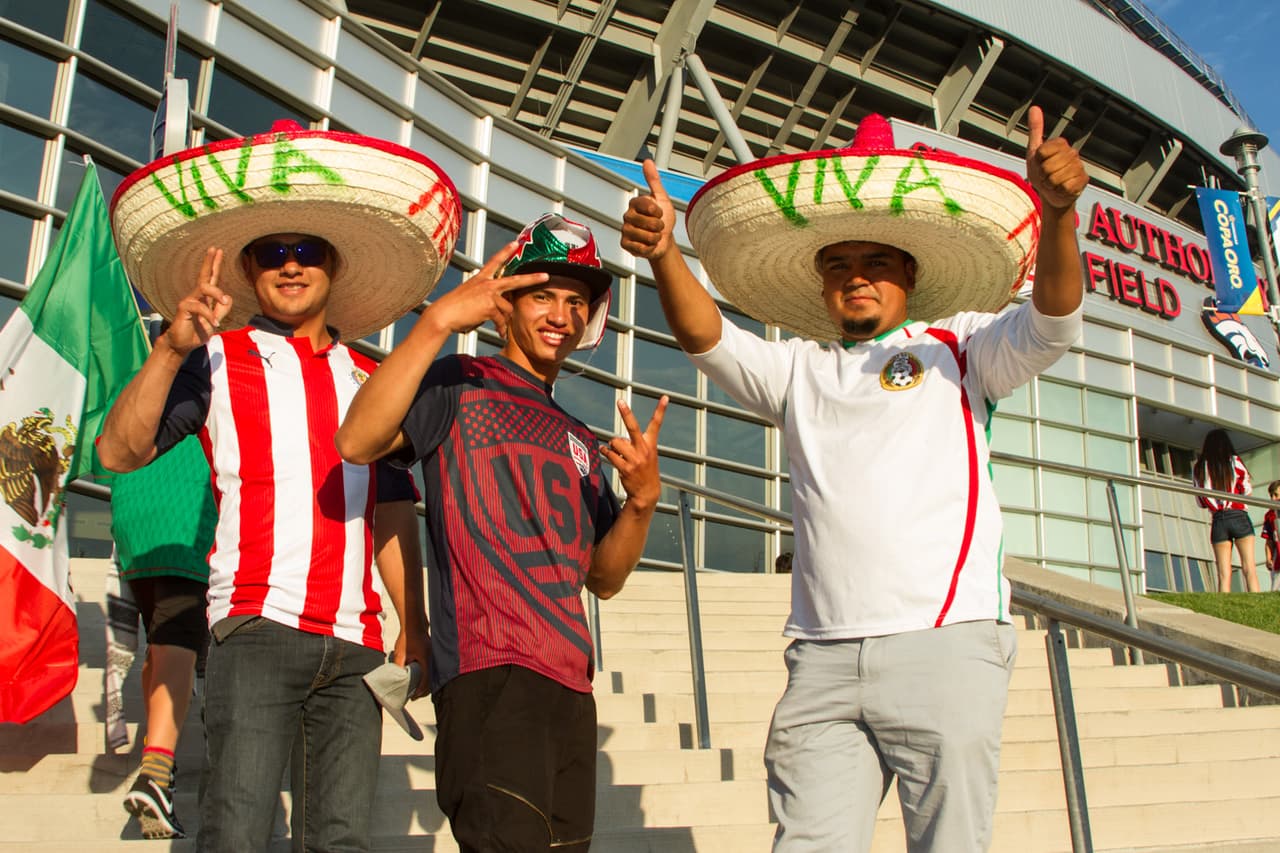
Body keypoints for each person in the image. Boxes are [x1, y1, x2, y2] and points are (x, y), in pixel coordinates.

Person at [621, 106, 1088, 852]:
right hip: (822, 655)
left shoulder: (959, 348)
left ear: (909, 275)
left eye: (875, 262)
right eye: (838, 264)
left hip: (944, 641)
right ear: (821, 285)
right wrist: (665, 255)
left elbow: (1054, 321)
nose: (857, 277)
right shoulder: (798, 369)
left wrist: (1060, 217)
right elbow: (706, 338)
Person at [99, 122, 461, 851]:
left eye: (306, 252)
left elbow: (392, 510)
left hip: (356, 648)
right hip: (254, 629)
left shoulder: (368, 379)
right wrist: (172, 345)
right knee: (235, 834)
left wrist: (413, 625)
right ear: (250, 269)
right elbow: (118, 448)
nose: (289, 266)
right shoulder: (217, 357)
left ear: (333, 265)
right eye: (271, 253)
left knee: (341, 843)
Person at [336, 213, 666, 852]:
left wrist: (643, 502)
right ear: (503, 305)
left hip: (571, 684)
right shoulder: (457, 383)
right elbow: (357, 441)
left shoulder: (577, 434)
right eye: (542, 294)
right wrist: (435, 323)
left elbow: (604, 577)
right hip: (489, 672)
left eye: (576, 302)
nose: (561, 315)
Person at [111, 417, 216, 839]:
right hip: (188, 502)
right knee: (179, 635)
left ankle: (164, 771)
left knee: (161, 639)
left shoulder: (141, 363)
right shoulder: (216, 363)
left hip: (134, 502)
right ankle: (155, 769)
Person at [1193, 429, 1259, 593]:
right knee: (1249, 567)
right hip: (1239, 515)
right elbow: (1246, 490)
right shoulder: (1235, 461)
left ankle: (1223, 606)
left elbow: (1201, 501)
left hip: (1218, 519)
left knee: (1223, 574)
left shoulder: (1200, 467)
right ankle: (1255, 597)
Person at [1262, 480, 1280, 593]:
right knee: (1275, 591)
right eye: (1271, 495)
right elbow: (1269, 539)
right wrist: (1268, 558)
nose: (1273, 498)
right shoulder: (1270, 515)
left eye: (1276, 495)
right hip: (1278, 558)